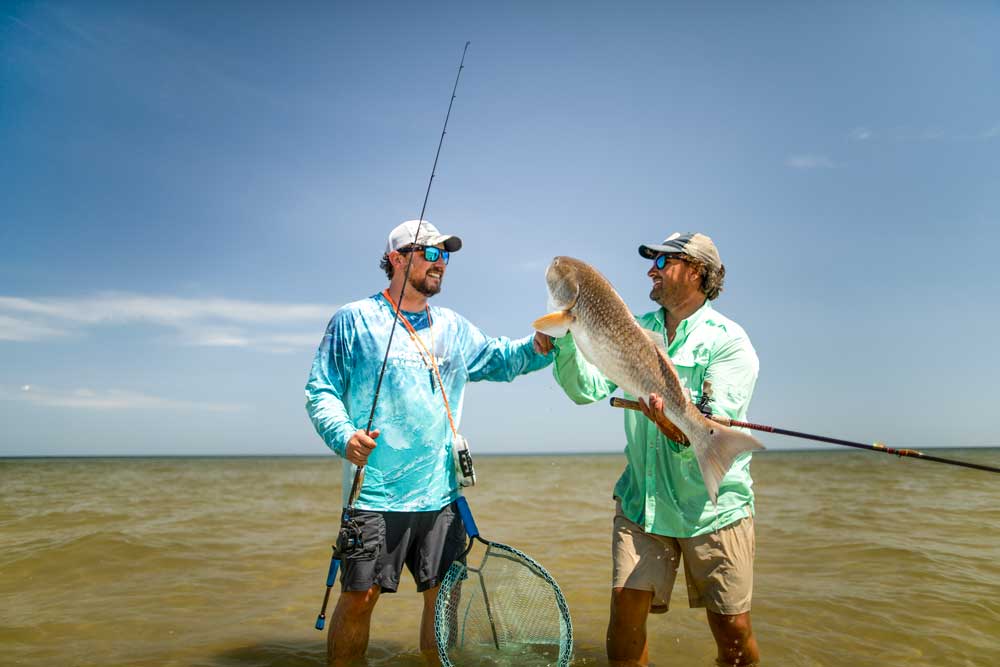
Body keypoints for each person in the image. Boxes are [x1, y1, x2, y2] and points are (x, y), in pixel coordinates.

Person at [305, 219, 554, 666]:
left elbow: (500, 359)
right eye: (431, 253)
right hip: (373, 496)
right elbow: (320, 389)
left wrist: (540, 345)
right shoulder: (355, 319)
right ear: (398, 259)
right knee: (359, 600)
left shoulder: (454, 327)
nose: (441, 263)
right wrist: (344, 436)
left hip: (440, 496)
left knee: (443, 604)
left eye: (445, 255)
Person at [536, 232, 761, 667]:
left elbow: (715, 420)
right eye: (652, 261)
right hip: (643, 501)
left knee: (733, 632)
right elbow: (585, 390)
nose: (651, 270)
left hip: (713, 508)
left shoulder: (730, 342)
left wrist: (674, 420)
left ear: (696, 271)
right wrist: (563, 339)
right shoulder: (631, 325)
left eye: (664, 261)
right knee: (624, 618)